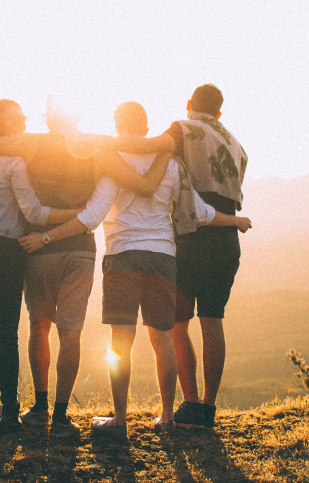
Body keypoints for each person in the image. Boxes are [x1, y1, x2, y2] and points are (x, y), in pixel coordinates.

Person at [19, 101, 251, 438]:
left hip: (123, 256)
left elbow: (92, 216)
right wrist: (236, 220)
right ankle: (168, 418)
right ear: (146, 128)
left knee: (120, 343)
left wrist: (47, 237)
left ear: (117, 124)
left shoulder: (113, 161)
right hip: (163, 258)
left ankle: (120, 420)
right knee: (163, 340)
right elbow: (199, 212)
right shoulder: (170, 163)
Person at [0, 96, 170, 438]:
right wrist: (166, 149)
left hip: (38, 247)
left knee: (39, 325)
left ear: (48, 120)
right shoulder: (96, 147)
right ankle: (61, 416)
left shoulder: (31, 144)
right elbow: (141, 177)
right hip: (80, 250)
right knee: (70, 332)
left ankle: (40, 407)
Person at [95, 85, 249, 429]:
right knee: (213, 320)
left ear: (190, 105)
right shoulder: (237, 144)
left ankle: (188, 406)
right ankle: (206, 410)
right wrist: (235, 221)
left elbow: (146, 147)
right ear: (219, 113)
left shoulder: (183, 129)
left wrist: (97, 143)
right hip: (225, 237)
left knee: (176, 325)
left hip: (191, 236)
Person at [0, 99, 80, 434]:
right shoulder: (14, 162)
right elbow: (34, 213)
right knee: (5, 336)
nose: (23, 122)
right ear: (1, 124)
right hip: (4, 253)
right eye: (17, 118)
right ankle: (9, 416)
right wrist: (76, 215)